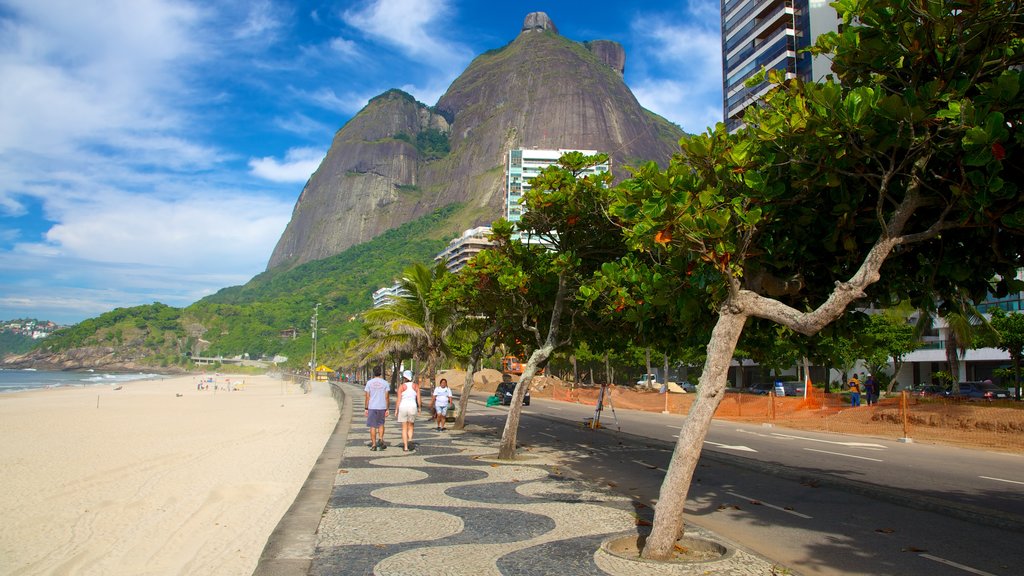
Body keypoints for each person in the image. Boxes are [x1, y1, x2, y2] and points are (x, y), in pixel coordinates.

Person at [364, 367, 390, 451]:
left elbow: (367, 397)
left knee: (372, 426)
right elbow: (386, 397)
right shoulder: (385, 383)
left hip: (372, 406)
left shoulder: (369, 383)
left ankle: (374, 445)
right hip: (382, 406)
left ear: (373, 373)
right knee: (381, 424)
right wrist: (387, 408)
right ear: (381, 373)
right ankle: (381, 439)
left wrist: (366, 408)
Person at [396, 370, 420, 452]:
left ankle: (405, 447)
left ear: (405, 378)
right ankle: (410, 439)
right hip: (412, 407)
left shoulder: (401, 386)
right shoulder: (415, 386)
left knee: (404, 428)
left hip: (403, 407)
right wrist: (419, 407)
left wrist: (396, 409)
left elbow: (399, 399)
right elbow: (418, 398)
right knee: (411, 425)